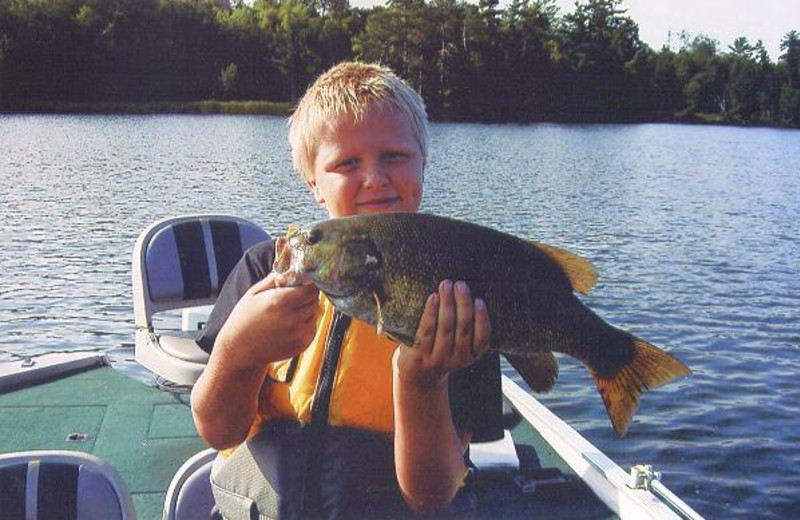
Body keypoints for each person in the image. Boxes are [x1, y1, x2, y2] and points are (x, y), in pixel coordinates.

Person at [191, 61, 503, 519]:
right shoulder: (263, 269)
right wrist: (238, 350)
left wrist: (422, 381)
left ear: (423, 161)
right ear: (314, 183)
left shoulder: (459, 290)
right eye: (347, 163)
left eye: (393, 156)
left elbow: (432, 494)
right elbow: (217, 431)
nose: (375, 178)